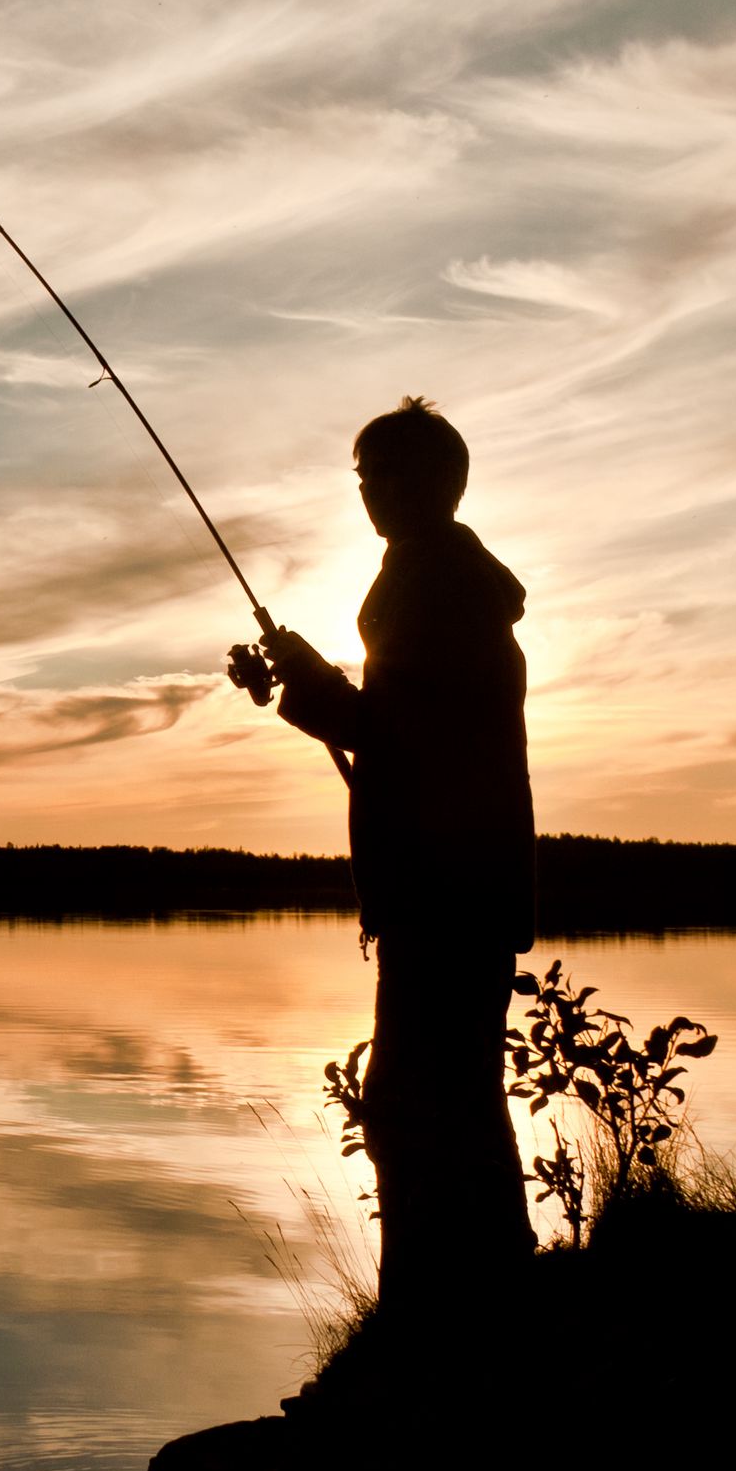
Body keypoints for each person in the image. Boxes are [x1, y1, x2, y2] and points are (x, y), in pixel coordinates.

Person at [226, 398, 536, 1307]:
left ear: (433, 482)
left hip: (447, 889)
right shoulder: (438, 582)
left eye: (381, 474)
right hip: (452, 885)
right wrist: (307, 677)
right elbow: (400, 723)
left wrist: (316, 688)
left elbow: (399, 736)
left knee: (414, 1107)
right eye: (361, 477)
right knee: (450, 1105)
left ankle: (436, 1322)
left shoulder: (438, 587)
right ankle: (478, 1304)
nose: (366, 492)